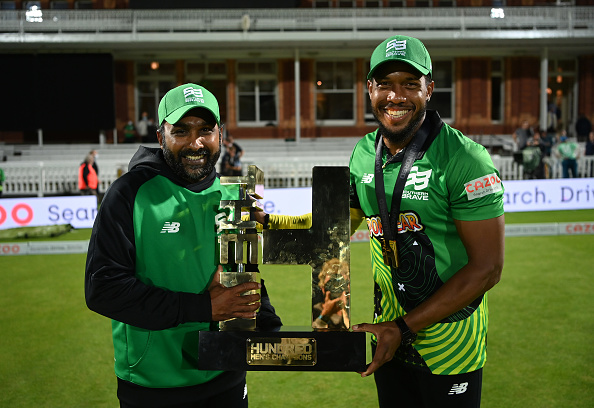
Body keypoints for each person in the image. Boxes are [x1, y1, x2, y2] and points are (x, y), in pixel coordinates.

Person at [251, 35, 505, 408]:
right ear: (369, 90)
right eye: (384, 84)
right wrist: (268, 220)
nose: (395, 96)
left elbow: (487, 269)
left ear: (429, 89)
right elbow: (331, 228)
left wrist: (401, 328)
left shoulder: (466, 159)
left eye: (409, 84)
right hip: (386, 339)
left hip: (450, 347)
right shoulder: (363, 153)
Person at [85, 83, 281, 408]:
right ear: (161, 137)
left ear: (221, 134)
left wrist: (268, 325)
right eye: (181, 131)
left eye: (206, 129)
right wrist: (204, 309)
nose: (196, 142)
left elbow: (242, 276)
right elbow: (103, 289)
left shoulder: (234, 196)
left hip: (227, 377)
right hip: (154, 385)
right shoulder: (128, 194)